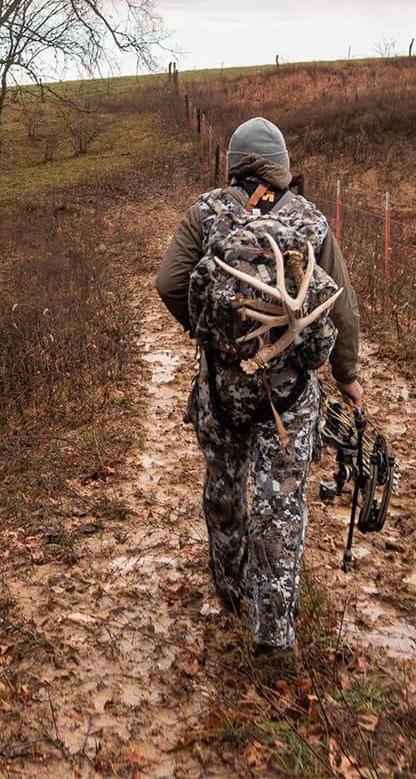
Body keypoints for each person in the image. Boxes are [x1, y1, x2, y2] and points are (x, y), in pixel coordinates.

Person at [155, 117, 362, 653]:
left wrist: (210, 335)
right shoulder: (310, 218)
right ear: (283, 167)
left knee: (225, 489)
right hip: (291, 396)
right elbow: (341, 303)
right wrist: (347, 376)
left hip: (222, 390)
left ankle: (230, 590)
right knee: (282, 504)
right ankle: (273, 633)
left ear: (232, 164)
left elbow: (169, 283)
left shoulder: (205, 212)